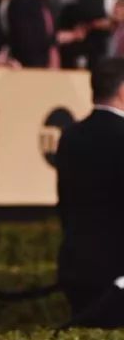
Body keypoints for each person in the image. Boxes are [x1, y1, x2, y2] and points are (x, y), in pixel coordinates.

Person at [55, 57, 124, 326]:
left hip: (76, 266)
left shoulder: (71, 135)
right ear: (122, 90)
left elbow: (65, 205)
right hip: (118, 274)